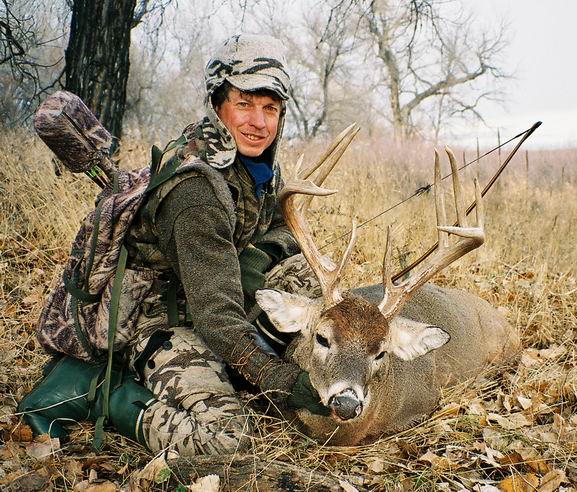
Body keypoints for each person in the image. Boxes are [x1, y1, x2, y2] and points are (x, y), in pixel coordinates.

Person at [18, 33, 327, 456]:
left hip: (206, 292)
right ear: (218, 106)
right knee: (226, 443)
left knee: (308, 278)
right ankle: (105, 395)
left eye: (269, 108)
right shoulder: (196, 191)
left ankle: (253, 368)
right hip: (159, 321)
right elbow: (216, 317)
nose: (259, 122)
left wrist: (257, 258)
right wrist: (280, 380)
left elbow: (280, 228)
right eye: (244, 104)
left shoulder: (253, 164)